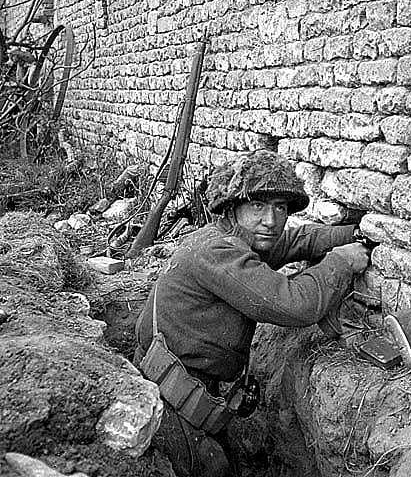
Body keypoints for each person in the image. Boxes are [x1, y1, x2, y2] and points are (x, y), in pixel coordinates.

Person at [134, 149, 370, 476]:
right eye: (257, 206)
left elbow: (296, 240)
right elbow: (295, 303)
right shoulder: (217, 251)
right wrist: (342, 262)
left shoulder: (230, 238)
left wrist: (354, 232)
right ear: (231, 209)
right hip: (173, 405)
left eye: (280, 208)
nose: (270, 221)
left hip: (193, 394)